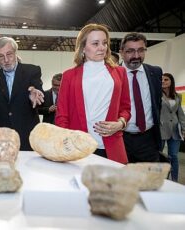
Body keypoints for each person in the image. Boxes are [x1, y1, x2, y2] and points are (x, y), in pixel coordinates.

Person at [55, 23, 131, 164]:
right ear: (83, 47)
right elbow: (62, 115)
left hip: (112, 145)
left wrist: (120, 124)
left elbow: (125, 108)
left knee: (113, 185)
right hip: (78, 147)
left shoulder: (120, 72)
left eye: (104, 43)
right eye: (95, 43)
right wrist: (64, 145)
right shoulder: (69, 75)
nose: (102, 48)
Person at [0, 37, 44, 151]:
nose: (6, 60)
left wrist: (34, 95)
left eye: (9, 54)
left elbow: (39, 96)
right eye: (1, 56)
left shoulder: (32, 71)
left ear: (15, 53)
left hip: (26, 137)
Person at [119, 32, 163, 163]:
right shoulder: (112, 75)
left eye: (140, 50)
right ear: (121, 52)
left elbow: (157, 103)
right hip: (120, 139)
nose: (136, 56)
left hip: (148, 141)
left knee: (150, 182)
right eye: (130, 51)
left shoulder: (155, 72)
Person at [160, 73, 185, 182]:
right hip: (160, 128)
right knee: (159, 154)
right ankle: (161, 178)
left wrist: (184, 129)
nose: (163, 81)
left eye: (166, 79)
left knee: (173, 156)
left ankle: (174, 180)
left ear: (171, 82)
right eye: (161, 80)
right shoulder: (156, 94)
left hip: (175, 129)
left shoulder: (177, 96)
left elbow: (180, 114)